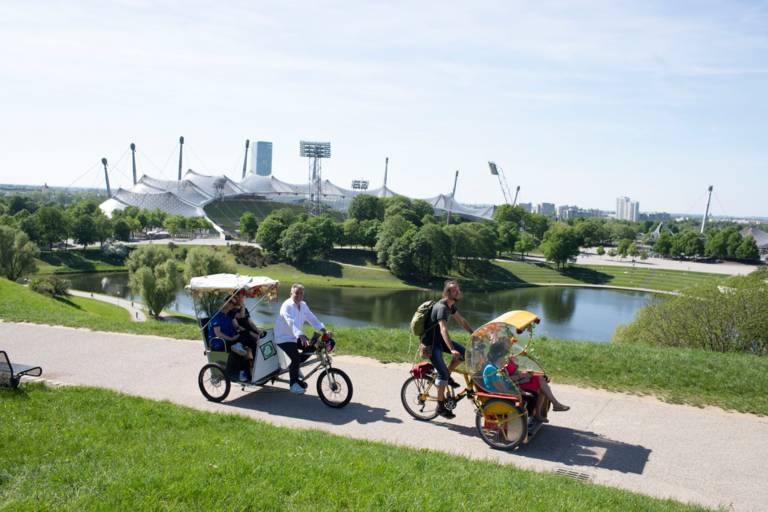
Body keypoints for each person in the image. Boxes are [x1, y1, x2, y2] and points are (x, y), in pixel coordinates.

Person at [423, 280, 474, 419]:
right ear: (448, 293)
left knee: (464, 354)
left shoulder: (451, 306)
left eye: (458, 289)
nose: (458, 292)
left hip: (440, 341)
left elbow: (462, 321)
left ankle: (447, 374)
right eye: (455, 290)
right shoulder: (441, 308)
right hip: (431, 344)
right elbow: (443, 329)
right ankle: (440, 407)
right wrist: (452, 349)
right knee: (443, 375)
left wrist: (474, 333)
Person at [482, 342, 569, 422]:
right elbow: (502, 389)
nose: (506, 358)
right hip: (499, 397)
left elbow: (506, 382)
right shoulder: (492, 369)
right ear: (499, 356)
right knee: (531, 397)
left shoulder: (497, 367)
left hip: (505, 392)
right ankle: (525, 420)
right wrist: (519, 392)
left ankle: (530, 417)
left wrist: (521, 383)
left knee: (533, 393)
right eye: (505, 356)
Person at [274, 283, 330, 395]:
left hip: (296, 336)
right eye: (296, 293)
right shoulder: (287, 305)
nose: (299, 295)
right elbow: (291, 322)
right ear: (291, 293)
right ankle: (293, 385)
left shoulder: (303, 305)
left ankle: (294, 368)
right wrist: (300, 334)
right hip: (283, 337)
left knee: (311, 348)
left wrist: (323, 329)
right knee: (295, 358)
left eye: (301, 293)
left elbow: (312, 318)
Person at [209, 298, 250, 382]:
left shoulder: (229, 315)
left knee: (247, 337)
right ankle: (241, 373)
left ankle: (247, 370)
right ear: (226, 303)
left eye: (234, 304)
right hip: (220, 342)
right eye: (232, 303)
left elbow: (241, 315)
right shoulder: (216, 316)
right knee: (240, 350)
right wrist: (231, 339)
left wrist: (242, 305)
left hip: (231, 341)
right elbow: (218, 333)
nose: (233, 305)